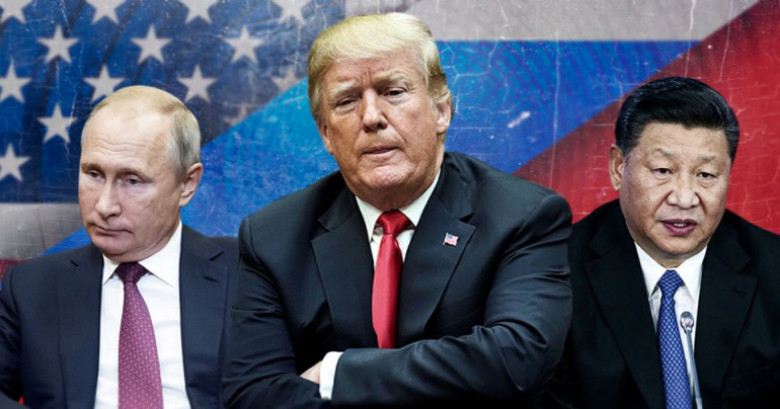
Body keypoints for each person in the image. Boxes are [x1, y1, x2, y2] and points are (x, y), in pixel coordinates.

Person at [222, 12, 573, 408]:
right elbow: (253, 395)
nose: (371, 117)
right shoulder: (273, 237)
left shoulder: (521, 216)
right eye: (347, 101)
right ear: (325, 134)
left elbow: (515, 361)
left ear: (441, 111)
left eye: (392, 91)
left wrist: (338, 373)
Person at [541, 76, 780, 408]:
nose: (684, 198)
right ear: (618, 167)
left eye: (706, 175)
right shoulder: (555, 272)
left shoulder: (773, 269)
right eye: (663, 170)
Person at [0, 85, 238, 409]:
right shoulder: (31, 288)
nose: (105, 205)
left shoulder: (245, 274)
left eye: (132, 180)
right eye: (93, 174)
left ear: (187, 184)